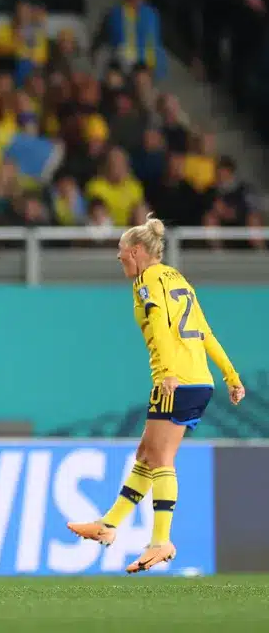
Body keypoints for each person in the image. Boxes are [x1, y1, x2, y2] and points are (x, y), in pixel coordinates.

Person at [68, 215, 245, 573]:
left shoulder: (147, 281)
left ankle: (161, 541)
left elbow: (162, 327)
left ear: (135, 251)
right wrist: (230, 375)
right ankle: (109, 525)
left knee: (161, 458)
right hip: (198, 380)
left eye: (121, 252)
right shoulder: (178, 279)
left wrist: (166, 373)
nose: (118, 259)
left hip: (175, 380)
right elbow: (205, 331)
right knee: (146, 454)